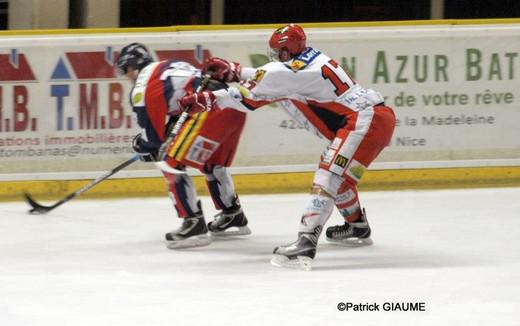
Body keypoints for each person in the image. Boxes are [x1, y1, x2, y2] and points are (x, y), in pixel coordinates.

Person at [180, 24, 396, 270]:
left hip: (364, 122)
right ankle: (357, 226)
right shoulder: (310, 58)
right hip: (375, 118)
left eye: (277, 51)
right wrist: (235, 71)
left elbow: (246, 96)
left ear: (285, 51)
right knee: (341, 178)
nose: (274, 56)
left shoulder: (283, 73)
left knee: (329, 174)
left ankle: (306, 241)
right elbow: (275, 76)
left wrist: (206, 99)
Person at [116, 43, 250, 249]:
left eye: (125, 70)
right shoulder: (168, 66)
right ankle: (232, 214)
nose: (126, 76)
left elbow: (153, 140)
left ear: (131, 67)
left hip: (210, 110)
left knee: (170, 161)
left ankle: (194, 224)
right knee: (212, 164)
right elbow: (181, 105)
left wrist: (141, 147)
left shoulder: (141, 89)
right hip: (233, 107)